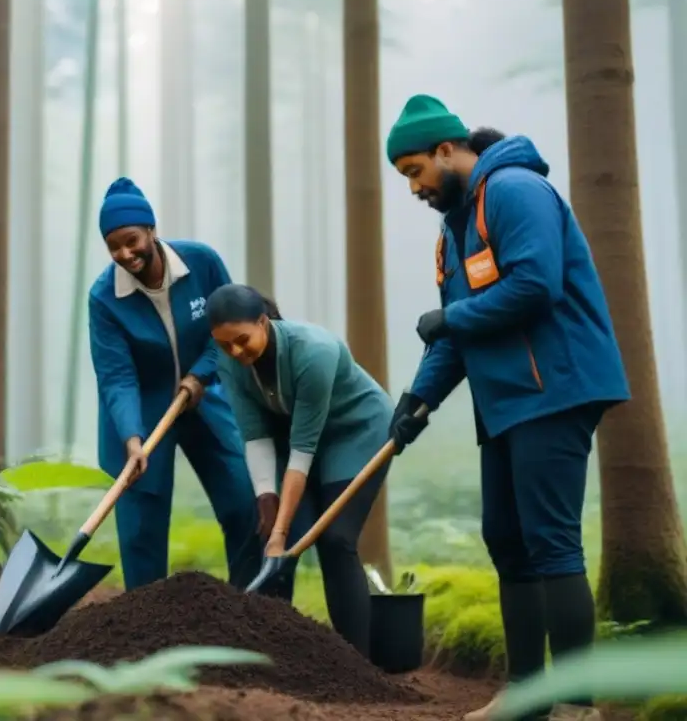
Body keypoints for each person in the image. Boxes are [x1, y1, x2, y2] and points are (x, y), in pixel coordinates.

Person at [384, 95, 630, 721]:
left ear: (447, 150)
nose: (413, 188)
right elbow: (456, 336)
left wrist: (450, 316)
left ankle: (577, 706)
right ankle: (525, 694)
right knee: (507, 541)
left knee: (550, 544)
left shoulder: (515, 190)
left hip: (557, 386)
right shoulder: (453, 230)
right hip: (505, 401)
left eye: (415, 171)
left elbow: (535, 284)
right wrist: (418, 399)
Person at [88, 177, 262, 591]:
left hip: (207, 397)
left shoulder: (201, 263)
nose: (125, 254)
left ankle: (253, 607)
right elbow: (116, 375)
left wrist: (200, 376)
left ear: (151, 229)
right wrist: (132, 436)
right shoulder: (104, 298)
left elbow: (229, 329)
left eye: (131, 240)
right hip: (141, 410)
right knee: (141, 526)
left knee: (244, 498)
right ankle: (150, 631)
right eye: (113, 246)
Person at [206, 283, 395, 658]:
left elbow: (302, 453)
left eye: (242, 340)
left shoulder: (314, 352)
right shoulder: (228, 361)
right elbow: (255, 435)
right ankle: (272, 656)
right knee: (274, 539)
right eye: (225, 345)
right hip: (291, 436)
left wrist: (280, 530)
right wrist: (266, 499)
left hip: (353, 433)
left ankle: (354, 663)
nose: (235, 352)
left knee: (335, 540)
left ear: (263, 321)